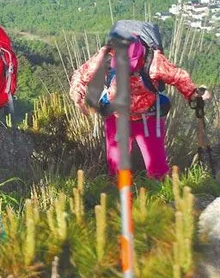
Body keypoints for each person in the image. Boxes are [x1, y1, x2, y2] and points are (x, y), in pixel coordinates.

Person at [69, 39, 212, 179]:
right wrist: (77, 96)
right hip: (117, 118)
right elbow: (81, 75)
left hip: (148, 118)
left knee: (157, 169)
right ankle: (119, 191)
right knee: (117, 169)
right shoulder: (106, 55)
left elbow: (178, 77)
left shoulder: (154, 62)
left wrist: (193, 93)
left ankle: (158, 192)